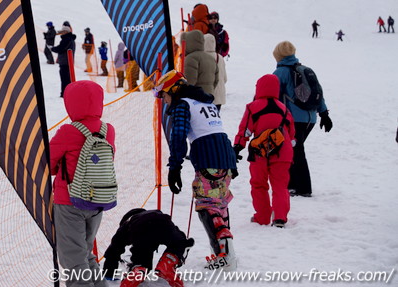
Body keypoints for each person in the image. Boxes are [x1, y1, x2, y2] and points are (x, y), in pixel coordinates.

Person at [156, 70, 238, 269]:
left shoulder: (182, 104)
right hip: (225, 157)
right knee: (219, 204)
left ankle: (224, 256)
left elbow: (178, 136)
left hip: (208, 157)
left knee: (206, 206)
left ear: (174, 91)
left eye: (164, 95)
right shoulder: (204, 102)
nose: (164, 101)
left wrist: (174, 166)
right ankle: (225, 255)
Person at [49, 80, 114, 287]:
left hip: (69, 203)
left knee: (73, 260)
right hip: (98, 201)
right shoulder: (108, 130)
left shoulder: (69, 131)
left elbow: (47, 164)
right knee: (86, 254)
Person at [233, 74, 295, 227]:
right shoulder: (284, 109)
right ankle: (280, 218)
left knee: (259, 184)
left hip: (259, 152)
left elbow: (245, 130)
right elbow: (292, 134)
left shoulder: (252, 107)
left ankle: (263, 216)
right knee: (280, 185)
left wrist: (237, 147)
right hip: (283, 151)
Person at [272, 41, 331, 197]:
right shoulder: (306, 70)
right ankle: (296, 185)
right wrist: (324, 114)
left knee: (295, 151)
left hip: (294, 119)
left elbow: (273, 97)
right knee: (295, 149)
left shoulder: (281, 73)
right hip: (310, 119)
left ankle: (302, 188)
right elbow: (319, 94)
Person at [102, 208, 194, 287]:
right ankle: (168, 262)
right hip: (163, 222)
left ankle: (139, 269)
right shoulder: (152, 213)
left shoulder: (126, 226)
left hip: (140, 229)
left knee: (143, 256)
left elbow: (113, 250)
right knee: (180, 242)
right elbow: (177, 234)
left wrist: (109, 273)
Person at [182, 30, 219, 97]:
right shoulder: (211, 58)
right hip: (209, 97)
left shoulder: (191, 58)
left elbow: (189, 81)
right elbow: (216, 80)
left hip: (195, 98)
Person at [52, 24, 76, 97]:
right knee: (66, 78)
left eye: (63, 31)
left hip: (65, 62)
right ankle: (67, 92)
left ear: (66, 31)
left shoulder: (67, 39)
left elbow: (61, 48)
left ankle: (65, 93)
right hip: (66, 62)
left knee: (65, 78)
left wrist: (52, 49)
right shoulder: (68, 39)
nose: (61, 33)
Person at [204, 33, 226, 110]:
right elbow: (225, 78)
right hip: (219, 95)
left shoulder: (201, 57)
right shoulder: (220, 57)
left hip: (207, 94)